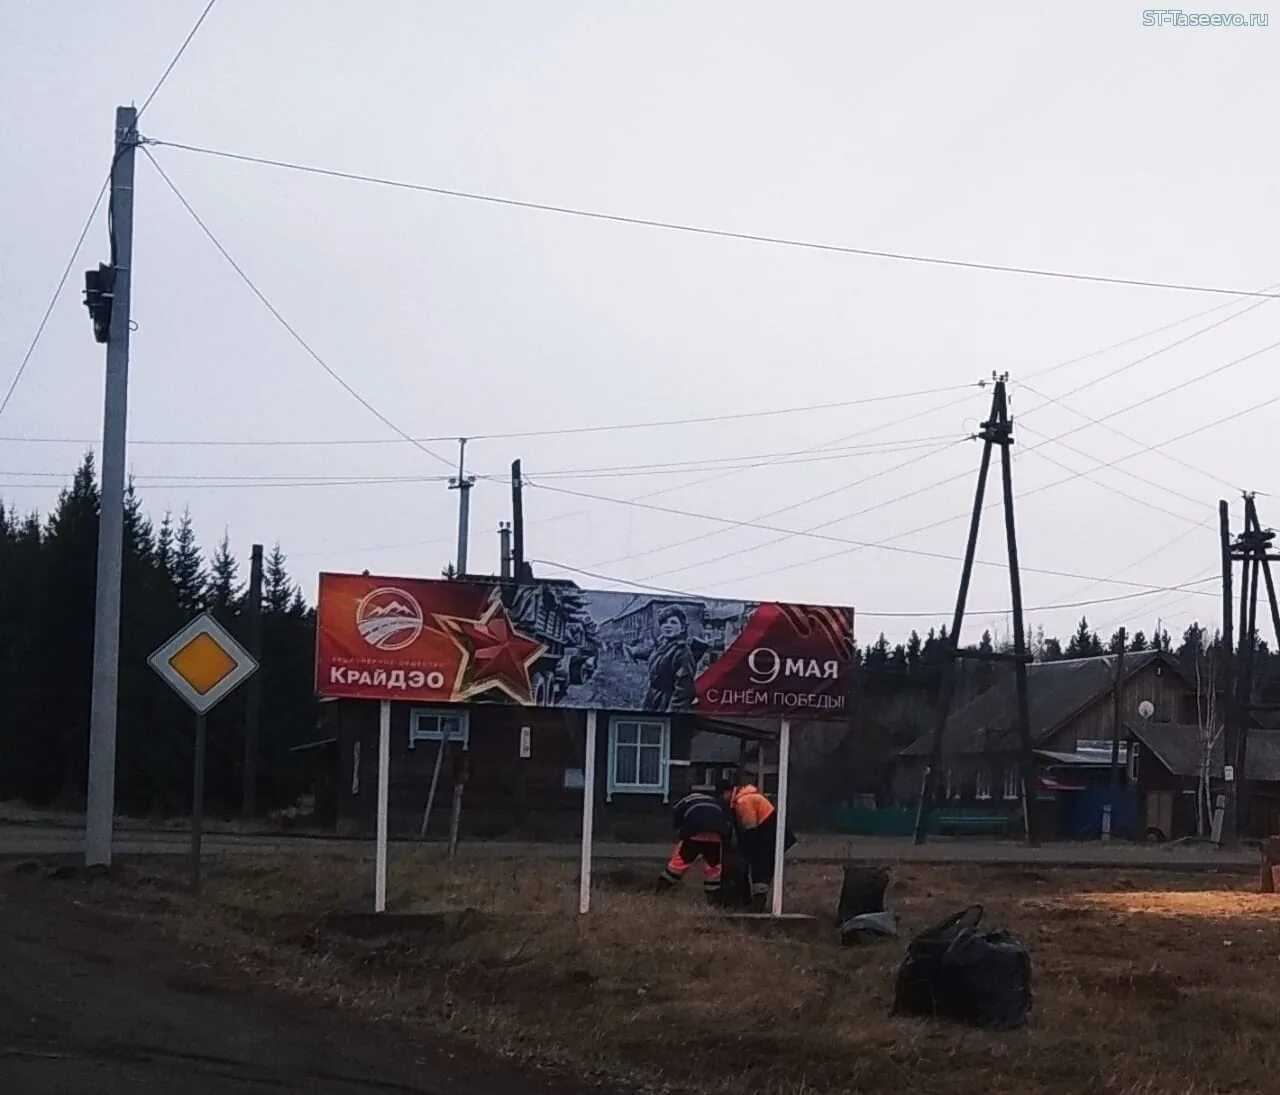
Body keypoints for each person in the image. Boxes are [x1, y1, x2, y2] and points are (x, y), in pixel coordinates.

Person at [719, 778, 795, 912]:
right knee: (762, 867)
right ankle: (758, 900)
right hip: (773, 833)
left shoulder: (743, 801)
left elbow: (750, 828)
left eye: (722, 795)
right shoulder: (748, 796)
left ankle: (758, 903)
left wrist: (747, 850)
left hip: (769, 835)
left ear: (727, 792)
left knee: (761, 867)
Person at [657, 789, 733, 903]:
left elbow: (677, 822)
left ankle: (661, 890)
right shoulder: (715, 801)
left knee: (678, 864)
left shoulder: (683, 801)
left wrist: (680, 832)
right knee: (713, 868)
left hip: (694, 834)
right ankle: (713, 900)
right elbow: (726, 818)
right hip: (715, 836)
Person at [625, 605, 698, 712]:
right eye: (664, 622)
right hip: (652, 697)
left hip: (666, 701)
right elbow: (650, 653)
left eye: (673, 622)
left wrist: (672, 712)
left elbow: (684, 689)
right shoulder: (662, 644)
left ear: (682, 627)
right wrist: (634, 651)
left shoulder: (682, 651)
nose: (668, 626)